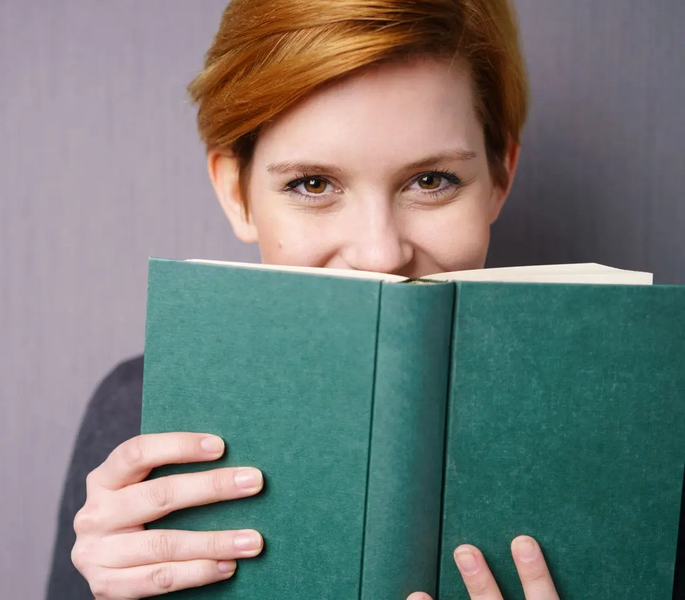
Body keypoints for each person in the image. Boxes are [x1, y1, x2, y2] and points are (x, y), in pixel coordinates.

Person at [46, 0, 560, 598]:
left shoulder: (639, 414)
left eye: (431, 180)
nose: (379, 254)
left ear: (500, 177)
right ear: (235, 192)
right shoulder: (136, 420)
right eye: (312, 184)